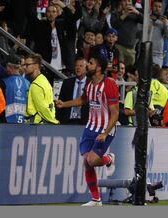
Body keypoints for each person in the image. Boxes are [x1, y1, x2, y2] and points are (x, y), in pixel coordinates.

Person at [55, 55, 119, 206]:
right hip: (90, 128)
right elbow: (82, 100)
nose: (87, 65)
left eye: (90, 63)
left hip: (105, 129)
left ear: (98, 68)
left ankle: (109, 159)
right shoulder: (90, 84)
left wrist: (104, 133)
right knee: (87, 162)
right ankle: (95, 199)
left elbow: (115, 113)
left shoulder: (109, 85)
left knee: (92, 160)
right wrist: (64, 104)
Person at [24, 53, 59, 124]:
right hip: (45, 123)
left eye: (27, 65)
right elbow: (51, 104)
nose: (25, 67)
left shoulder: (36, 85)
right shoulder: (44, 80)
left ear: (36, 66)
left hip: (37, 125)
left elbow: (42, 108)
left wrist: (54, 121)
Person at [56, 57, 89, 124]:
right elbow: (61, 101)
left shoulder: (91, 83)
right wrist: (60, 119)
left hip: (85, 122)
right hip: (68, 121)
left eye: (81, 66)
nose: (78, 68)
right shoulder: (67, 83)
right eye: (76, 66)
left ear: (86, 69)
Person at [0, 54, 30, 123]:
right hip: (24, 122)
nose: (6, 69)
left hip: (5, 122)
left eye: (7, 67)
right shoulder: (28, 83)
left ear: (9, 66)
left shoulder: (3, 82)